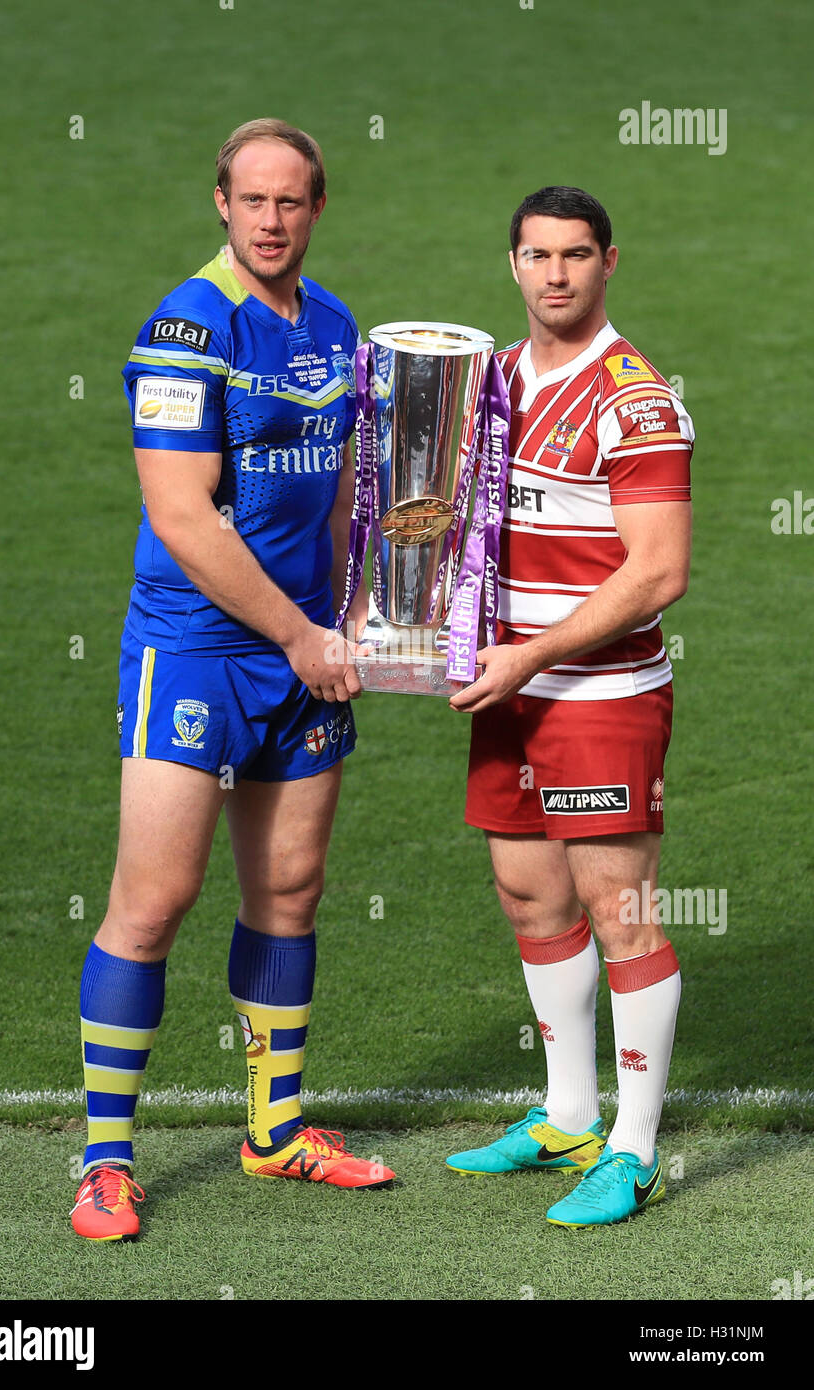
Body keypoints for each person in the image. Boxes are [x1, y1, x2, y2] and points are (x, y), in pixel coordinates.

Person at [71, 118, 393, 1244]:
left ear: (315, 208)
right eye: (251, 200)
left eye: (291, 202)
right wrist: (302, 634)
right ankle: (106, 1161)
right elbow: (182, 517)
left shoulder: (337, 324)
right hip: (196, 647)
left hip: (304, 648)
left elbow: (348, 484)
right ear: (220, 202)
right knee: (152, 900)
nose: (270, 220)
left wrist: (359, 607)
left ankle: (275, 1128)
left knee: (291, 891)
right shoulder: (183, 328)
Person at [445, 187, 694, 1228]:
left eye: (576, 255)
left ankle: (632, 1151)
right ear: (511, 264)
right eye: (537, 255)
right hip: (507, 691)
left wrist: (530, 656)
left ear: (609, 263)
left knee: (618, 909)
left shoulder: (634, 400)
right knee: (529, 897)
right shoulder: (488, 382)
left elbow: (658, 573)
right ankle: (567, 1113)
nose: (555, 273)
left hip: (597, 692)